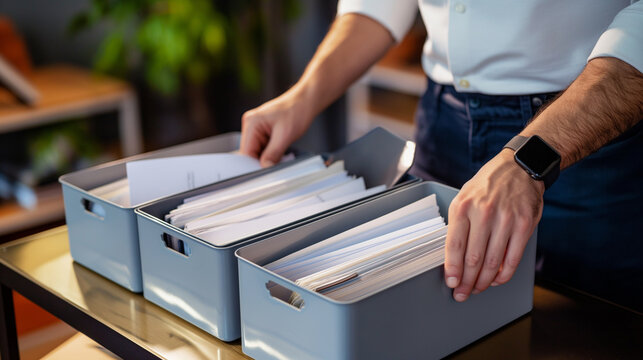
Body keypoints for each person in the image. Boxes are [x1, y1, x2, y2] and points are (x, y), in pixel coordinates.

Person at [240, 0, 643, 310]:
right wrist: (301, 98)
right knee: (427, 317)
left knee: (587, 328)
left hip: (583, 131)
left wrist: (529, 159)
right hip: (442, 123)